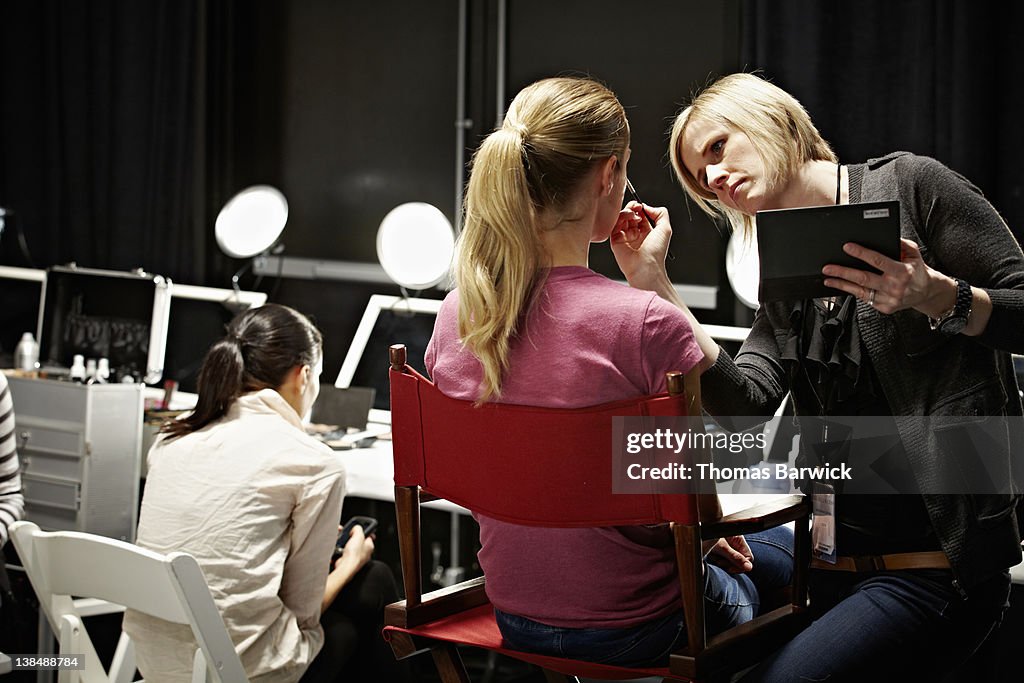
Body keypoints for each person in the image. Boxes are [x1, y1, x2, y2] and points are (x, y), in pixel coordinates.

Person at [612, 72, 1023, 681]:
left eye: (719, 148)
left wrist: (939, 296)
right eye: (702, 179)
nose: (716, 180)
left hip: (934, 569)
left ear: (771, 119)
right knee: (663, 605)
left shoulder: (912, 185)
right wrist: (655, 285)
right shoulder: (788, 272)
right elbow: (747, 406)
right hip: (826, 553)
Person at [425, 75, 795, 668]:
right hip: (641, 626)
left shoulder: (459, 313)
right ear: (607, 176)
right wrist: (702, 533)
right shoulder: (645, 322)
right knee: (781, 561)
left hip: (515, 614)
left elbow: (494, 471)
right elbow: (699, 493)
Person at [123, 304, 407, 683]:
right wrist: (350, 562)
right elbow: (303, 615)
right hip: (235, 671)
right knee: (369, 588)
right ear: (303, 375)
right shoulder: (314, 465)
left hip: (156, 663)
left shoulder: (173, 440)